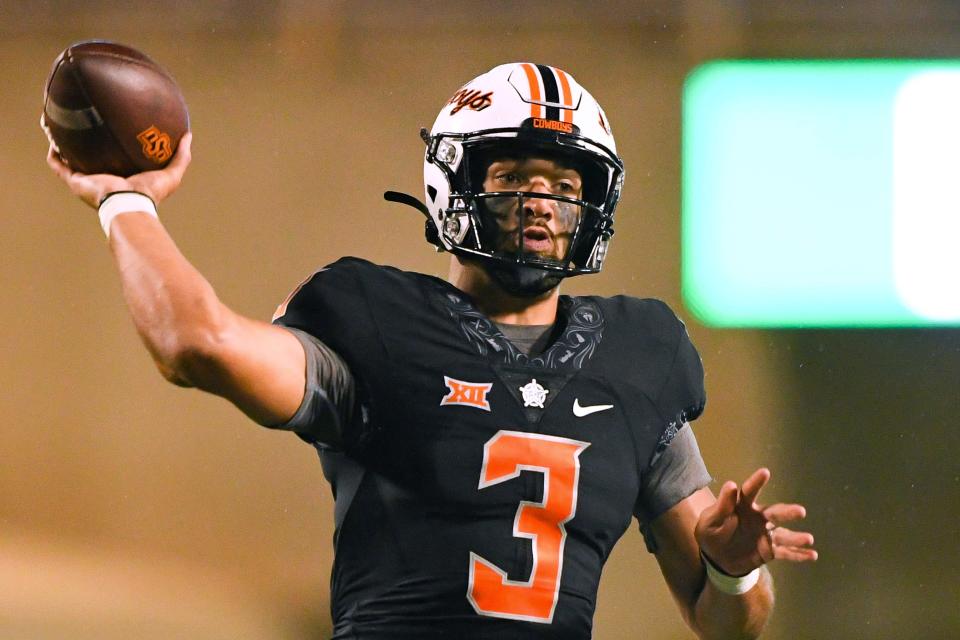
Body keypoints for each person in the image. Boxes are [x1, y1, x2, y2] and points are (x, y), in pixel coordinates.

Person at [46, 62, 817, 639]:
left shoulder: (639, 357)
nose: (542, 202)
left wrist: (732, 564)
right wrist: (126, 200)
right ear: (455, 184)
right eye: (514, 174)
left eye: (565, 184)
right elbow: (194, 344)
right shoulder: (374, 322)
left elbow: (729, 622)